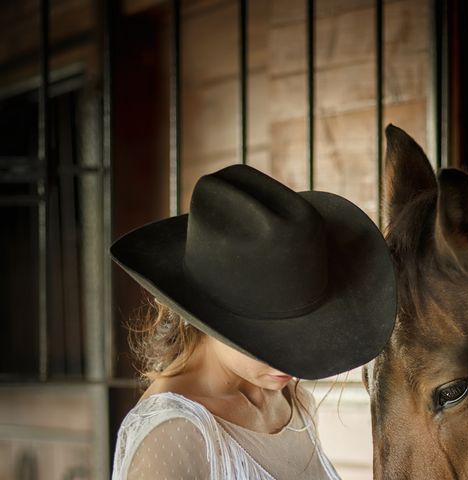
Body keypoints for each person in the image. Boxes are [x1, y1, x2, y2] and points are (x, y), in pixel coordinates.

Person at [110, 164, 397, 479]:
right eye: (272, 334)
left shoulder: (293, 401)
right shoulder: (173, 432)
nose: (295, 357)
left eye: (305, 327)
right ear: (206, 316)